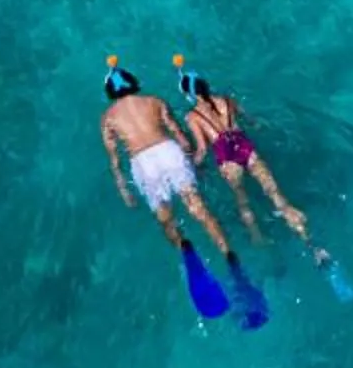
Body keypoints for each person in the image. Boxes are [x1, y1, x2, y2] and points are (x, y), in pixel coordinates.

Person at [174, 55, 329, 267]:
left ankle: (258, 238)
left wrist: (192, 165)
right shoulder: (228, 100)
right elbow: (252, 122)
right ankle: (312, 245)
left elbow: (202, 148)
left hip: (226, 156)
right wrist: (262, 127)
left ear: (190, 95)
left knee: (242, 200)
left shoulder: (192, 117)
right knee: (277, 196)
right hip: (245, 146)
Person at [99, 57, 234, 263]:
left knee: (164, 215)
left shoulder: (108, 117)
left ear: (110, 91)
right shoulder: (154, 101)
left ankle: (185, 251)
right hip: (169, 152)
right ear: (133, 82)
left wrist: (123, 188)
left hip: (143, 162)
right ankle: (227, 252)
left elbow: (114, 159)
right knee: (197, 206)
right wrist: (194, 163)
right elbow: (179, 135)